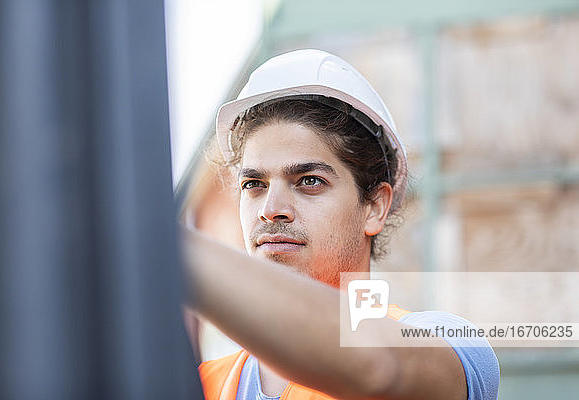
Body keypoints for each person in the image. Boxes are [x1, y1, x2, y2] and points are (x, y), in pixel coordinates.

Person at [182, 49, 499, 400]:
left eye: (309, 181)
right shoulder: (202, 384)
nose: (270, 210)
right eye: (253, 185)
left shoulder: (448, 347)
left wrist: (166, 246)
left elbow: (379, 368)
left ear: (375, 207)